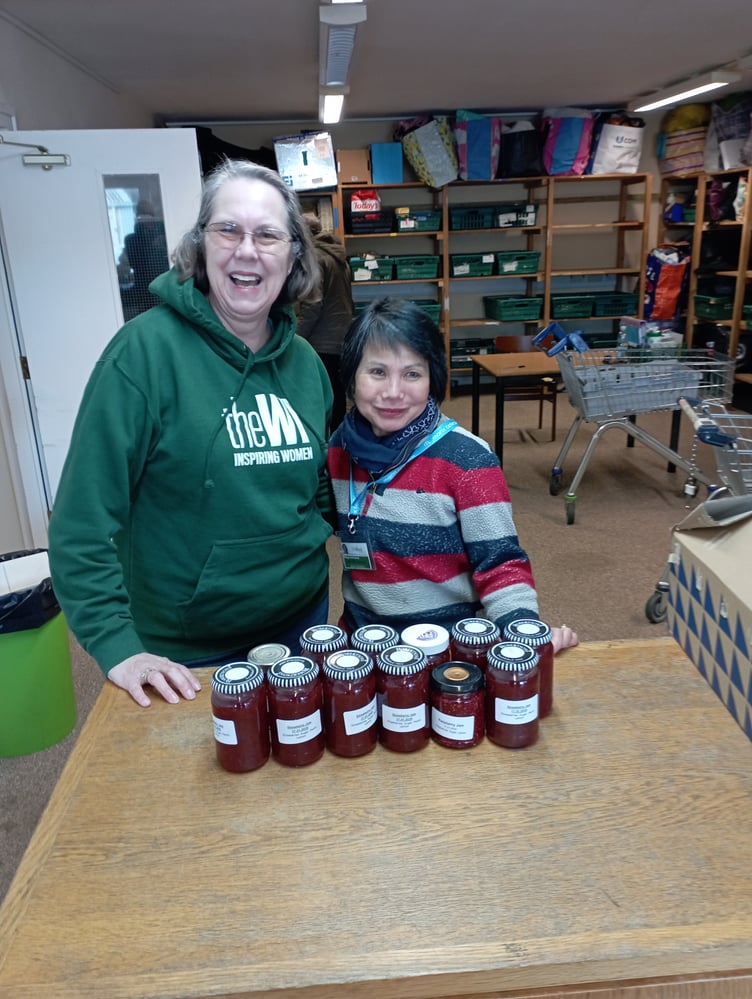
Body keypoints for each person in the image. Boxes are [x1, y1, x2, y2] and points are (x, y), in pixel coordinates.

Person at [48, 159, 334, 708]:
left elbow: (317, 486)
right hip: (189, 655)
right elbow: (81, 522)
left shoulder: (305, 364)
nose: (247, 250)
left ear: (293, 255)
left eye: (267, 235)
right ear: (200, 244)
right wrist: (116, 644)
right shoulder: (142, 354)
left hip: (302, 626)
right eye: (228, 230)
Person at [327, 298, 578, 654]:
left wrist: (523, 634)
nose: (393, 392)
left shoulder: (467, 460)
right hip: (365, 646)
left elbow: (501, 563)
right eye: (378, 372)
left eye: (412, 374)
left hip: (449, 650)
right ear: (352, 376)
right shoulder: (339, 448)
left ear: (433, 379)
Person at [296, 213, 353, 430]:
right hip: (340, 333)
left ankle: (329, 438)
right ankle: (339, 435)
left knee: (322, 390)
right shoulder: (338, 256)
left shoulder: (317, 260)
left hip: (321, 338)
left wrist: (296, 337)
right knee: (336, 389)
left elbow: (313, 306)